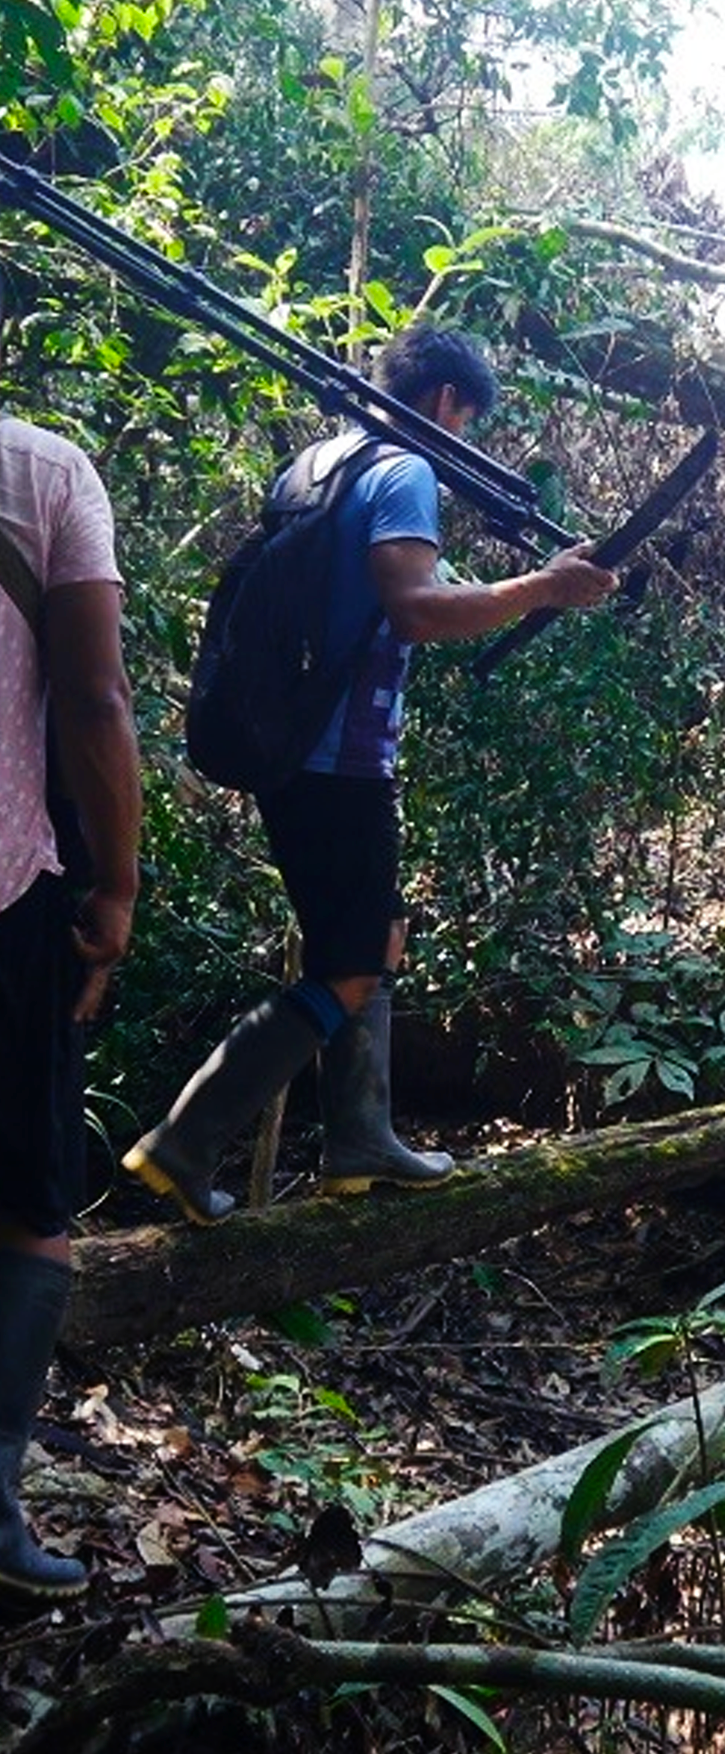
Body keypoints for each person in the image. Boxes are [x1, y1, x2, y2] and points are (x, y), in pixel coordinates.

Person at [123, 325, 618, 1226]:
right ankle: (187, 1138)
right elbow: (418, 608)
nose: (465, 439)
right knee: (352, 964)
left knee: (371, 936)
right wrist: (543, 591)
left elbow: (393, 593)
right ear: (447, 405)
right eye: (469, 421)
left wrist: (536, 577)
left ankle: (360, 1139)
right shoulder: (406, 471)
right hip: (340, 762)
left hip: (287, 749)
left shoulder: (318, 465)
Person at [0, 407, 142, 1602]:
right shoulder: (42, 469)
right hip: (6, 893)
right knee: (30, 1199)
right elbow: (93, 700)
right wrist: (118, 884)